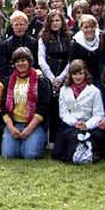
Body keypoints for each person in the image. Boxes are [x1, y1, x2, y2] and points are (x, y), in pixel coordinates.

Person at [1, 47, 51, 159]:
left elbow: (43, 109)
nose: (20, 63)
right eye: (17, 61)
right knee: (9, 155)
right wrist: (10, 127)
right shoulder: (8, 80)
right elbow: (3, 107)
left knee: (30, 155)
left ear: (29, 61)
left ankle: (34, 140)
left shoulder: (41, 80)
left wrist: (28, 130)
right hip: (14, 123)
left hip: (34, 124)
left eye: (23, 60)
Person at [51, 59, 104, 163]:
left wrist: (87, 125)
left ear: (85, 74)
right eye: (75, 74)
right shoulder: (64, 90)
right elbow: (63, 113)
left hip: (89, 125)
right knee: (57, 154)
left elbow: (99, 114)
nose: (78, 77)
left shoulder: (94, 91)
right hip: (70, 124)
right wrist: (75, 122)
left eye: (80, 73)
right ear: (70, 75)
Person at [38, 10, 72, 144]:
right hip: (49, 74)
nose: (55, 23)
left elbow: (71, 59)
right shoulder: (43, 38)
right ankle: (50, 140)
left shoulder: (69, 37)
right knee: (50, 108)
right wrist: (52, 78)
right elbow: (41, 59)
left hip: (65, 74)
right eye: (52, 21)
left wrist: (62, 76)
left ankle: (62, 139)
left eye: (58, 20)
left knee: (63, 107)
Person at [0, 10, 38, 84]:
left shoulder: (33, 42)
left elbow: (36, 62)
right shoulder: (6, 44)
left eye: (22, 24)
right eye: (16, 25)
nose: (19, 27)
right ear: (12, 26)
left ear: (26, 25)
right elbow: (3, 65)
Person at [68, 14, 101, 86]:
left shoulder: (102, 38)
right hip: (83, 77)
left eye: (92, 27)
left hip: (101, 76)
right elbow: (72, 62)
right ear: (81, 28)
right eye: (86, 27)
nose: (89, 30)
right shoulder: (76, 43)